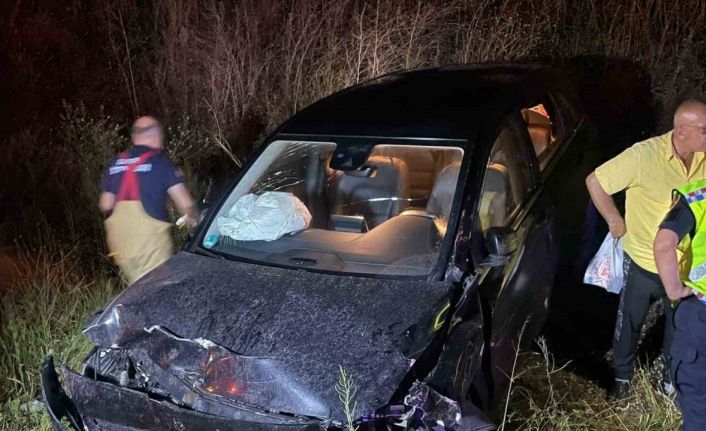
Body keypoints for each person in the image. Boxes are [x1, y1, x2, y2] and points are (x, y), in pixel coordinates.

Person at [585, 99, 706, 400]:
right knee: (630, 321)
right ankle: (622, 378)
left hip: (686, 265)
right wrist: (614, 220)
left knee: (678, 325)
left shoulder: (703, 157)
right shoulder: (643, 156)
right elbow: (596, 181)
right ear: (681, 131)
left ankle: (670, 381)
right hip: (644, 261)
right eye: (704, 130)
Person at [653, 111, 706, 429]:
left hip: (701, 310)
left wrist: (675, 290)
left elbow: (664, 244)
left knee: (698, 401)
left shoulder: (698, 196)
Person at [99, 116, 197, 284]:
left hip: (121, 245)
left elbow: (105, 204)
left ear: (134, 138)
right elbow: (185, 203)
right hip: (149, 246)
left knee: (136, 286)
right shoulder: (161, 163)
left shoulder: (115, 162)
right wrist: (192, 217)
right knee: (157, 288)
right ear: (154, 136)